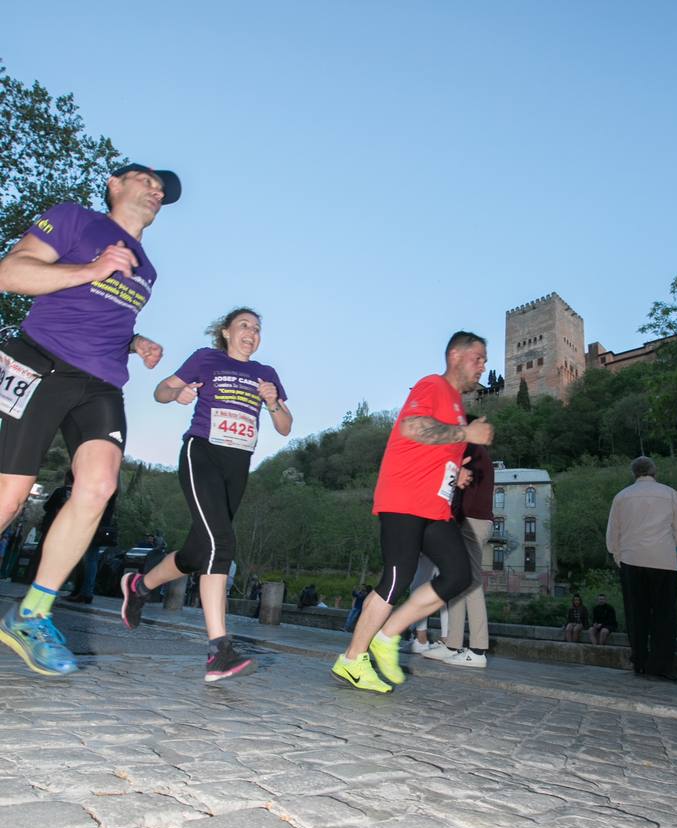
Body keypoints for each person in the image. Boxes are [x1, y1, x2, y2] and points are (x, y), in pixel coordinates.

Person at [0, 162, 180, 677]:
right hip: (37, 361)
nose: (155, 191)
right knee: (10, 497)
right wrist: (90, 268)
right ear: (115, 184)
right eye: (145, 180)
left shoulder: (147, 267)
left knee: (99, 486)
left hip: (100, 383)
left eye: (162, 190)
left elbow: (101, 315)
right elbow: (10, 273)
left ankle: (31, 613)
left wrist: (133, 341)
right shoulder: (75, 220)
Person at [120, 307, 292, 683]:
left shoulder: (267, 374)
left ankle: (140, 585)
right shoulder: (206, 359)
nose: (251, 332)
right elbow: (160, 391)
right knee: (221, 543)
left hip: (238, 464)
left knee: (197, 552)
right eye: (244, 325)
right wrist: (178, 392)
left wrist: (273, 402)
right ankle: (219, 650)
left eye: (257, 329)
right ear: (226, 332)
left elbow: (284, 427)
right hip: (203, 452)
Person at [331, 330, 494, 693]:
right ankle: (352, 659)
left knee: (458, 575)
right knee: (396, 578)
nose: (483, 366)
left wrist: (458, 472)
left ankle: (387, 635)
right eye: (478, 358)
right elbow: (413, 427)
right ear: (455, 355)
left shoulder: (454, 403)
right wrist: (467, 432)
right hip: (404, 499)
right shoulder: (433, 385)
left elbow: (433, 450)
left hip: (433, 507)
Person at [606, 456, 677, 682]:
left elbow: (613, 533)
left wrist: (619, 557)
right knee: (664, 615)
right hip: (663, 560)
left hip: (632, 559)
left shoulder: (621, 497)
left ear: (634, 473)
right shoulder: (670, 494)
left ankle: (640, 662)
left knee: (637, 614)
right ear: (654, 471)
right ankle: (662, 665)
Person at [426, 436, 495, 668]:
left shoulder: (473, 452)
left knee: (472, 582)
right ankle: (453, 645)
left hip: (471, 522)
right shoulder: (474, 452)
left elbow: (468, 492)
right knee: (458, 581)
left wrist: (455, 520)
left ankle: (477, 650)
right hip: (470, 521)